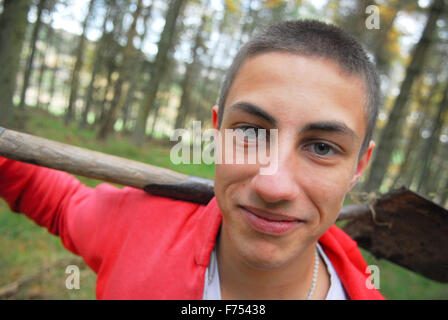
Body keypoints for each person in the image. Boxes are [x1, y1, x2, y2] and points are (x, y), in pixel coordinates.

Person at [0, 19, 384, 300]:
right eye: (249, 133)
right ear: (217, 132)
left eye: (321, 147)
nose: (273, 184)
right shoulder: (137, 230)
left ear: (359, 166)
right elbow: (60, 202)